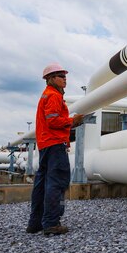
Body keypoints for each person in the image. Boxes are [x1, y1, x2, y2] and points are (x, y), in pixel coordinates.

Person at [27, 63, 84, 236]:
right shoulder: (53, 96)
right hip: (54, 144)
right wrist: (72, 121)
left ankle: (35, 223)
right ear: (51, 79)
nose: (64, 79)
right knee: (57, 182)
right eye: (61, 76)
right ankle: (51, 223)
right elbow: (53, 121)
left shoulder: (47, 95)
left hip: (45, 144)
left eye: (65, 76)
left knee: (42, 184)